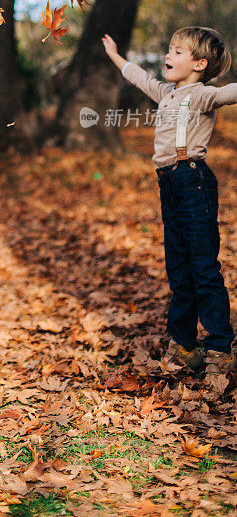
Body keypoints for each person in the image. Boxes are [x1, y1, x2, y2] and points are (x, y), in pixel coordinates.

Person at [102, 27, 237, 394]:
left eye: (178, 51)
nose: (168, 55)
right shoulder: (166, 92)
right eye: (169, 49)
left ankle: (220, 346)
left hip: (194, 184)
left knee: (203, 267)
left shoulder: (203, 95)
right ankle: (183, 344)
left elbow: (230, 92)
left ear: (198, 64)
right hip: (170, 186)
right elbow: (139, 76)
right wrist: (115, 55)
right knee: (178, 265)